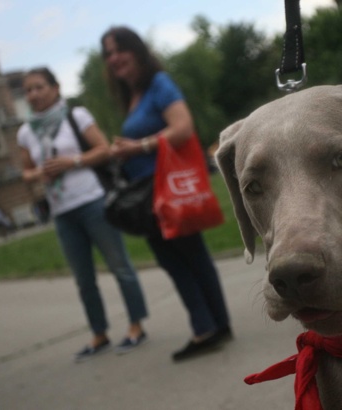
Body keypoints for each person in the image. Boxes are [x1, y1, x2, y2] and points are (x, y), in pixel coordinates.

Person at [101, 26, 232, 362]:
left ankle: (206, 329)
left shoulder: (159, 84)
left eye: (119, 50)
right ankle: (217, 325)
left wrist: (138, 146)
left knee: (182, 260)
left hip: (163, 192)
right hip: (152, 195)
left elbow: (183, 127)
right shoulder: (134, 95)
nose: (113, 58)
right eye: (108, 54)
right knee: (188, 258)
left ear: (137, 50)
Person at [17, 67, 149, 362]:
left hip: (92, 201)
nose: (33, 95)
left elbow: (105, 149)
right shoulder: (25, 132)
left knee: (120, 266)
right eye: (27, 90)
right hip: (61, 212)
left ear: (55, 87)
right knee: (83, 279)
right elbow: (25, 172)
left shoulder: (76, 117)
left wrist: (71, 162)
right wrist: (40, 173)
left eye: (39, 87)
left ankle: (136, 325)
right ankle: (99, 334)